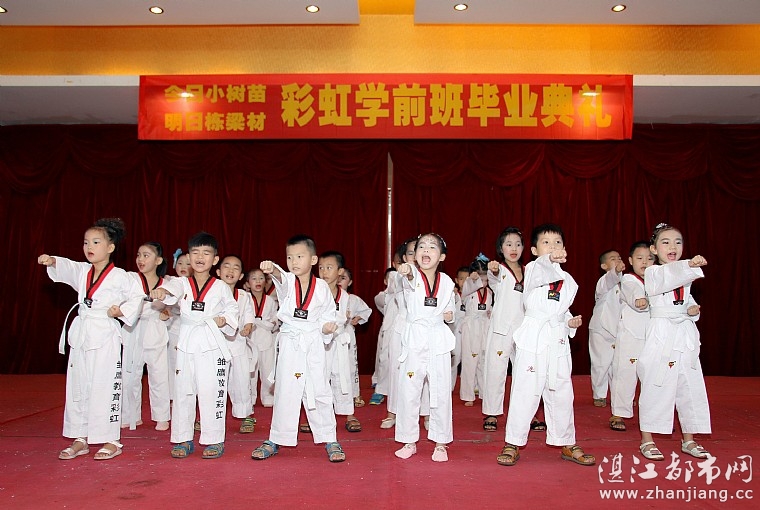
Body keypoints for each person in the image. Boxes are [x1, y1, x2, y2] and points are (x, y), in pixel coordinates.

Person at [38, 217, 144, 460]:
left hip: (105, 334)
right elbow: (66, 267)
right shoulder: (83, 270)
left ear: (111, 247)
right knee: (78, 385)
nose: (89, 247)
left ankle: (111, 439)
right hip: (83, 334)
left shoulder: (121, 276)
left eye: (96, 242)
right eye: (86, 242)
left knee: (104, 386)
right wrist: (52, 260)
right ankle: (80, 437)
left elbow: (138, 296)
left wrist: (121, 311)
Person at [498, 223, 595, 467]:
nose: (553, 247)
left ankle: (566, 441)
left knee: (562, 392)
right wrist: (550, 258)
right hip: (533, 338)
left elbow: (561, 310)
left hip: (557, 339)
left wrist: (570, 322)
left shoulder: (569, 281)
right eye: (546, 243)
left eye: (557, 242)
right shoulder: (533, 270)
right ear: (534, 250)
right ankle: (513, 442)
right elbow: (543, 269)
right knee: (524, 391)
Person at [251, 235, 345, 463]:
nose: (294, 262)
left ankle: (329, 437)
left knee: (319, 389)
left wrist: (327, 327)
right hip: (291, 342)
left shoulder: (322, 287)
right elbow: (278, 275)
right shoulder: (287, 281)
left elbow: (328, 315)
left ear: (313, 260)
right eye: (290, 257)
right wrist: (272, 268)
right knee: (285, 390)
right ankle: (276, 437)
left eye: (300, 256)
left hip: (312, 342)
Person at [149, 232, 239, 459]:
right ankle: (183, 438)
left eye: (206, 253)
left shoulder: (221, 286)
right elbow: (171, 292)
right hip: (187, 343)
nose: (200, 257)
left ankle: (214, 439)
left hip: (211, 343)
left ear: (215, 259)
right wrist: (162, 292)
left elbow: (232, 309)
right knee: (183, 391)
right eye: (195, 253)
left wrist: (225, 320)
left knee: (211, 391)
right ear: (188, 257)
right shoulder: (181, 282)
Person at [638, 223, 710, 461]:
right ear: (654, 249)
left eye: (678, 242)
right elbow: (670, 277)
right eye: (665, 242)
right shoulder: (653, 272)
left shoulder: (683, 275)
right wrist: (689, 265)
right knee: (655, 383)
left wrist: (692, 309)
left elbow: (685, 300)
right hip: (662, 333)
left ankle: (689, 438)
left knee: (690, 384)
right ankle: (647, 439)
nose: (672, 247)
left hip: (683, 334)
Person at [394, 233, 456, 462]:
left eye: (432, 247)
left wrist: (449, 314)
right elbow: (409, 277)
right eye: (421, 247)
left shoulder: (447, 282)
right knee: (409, 390)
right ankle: (409, 440)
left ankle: (440, 443)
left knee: (441, 390)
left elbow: (451, 308)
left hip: (437, 339)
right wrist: (406, 270)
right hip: (415, 339)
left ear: (442, 256)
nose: (426, 250)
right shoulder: (411, 274)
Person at [121, 242, 171, 431]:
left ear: (158, 260)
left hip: (155, 330)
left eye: (146, 255)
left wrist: (166, 313)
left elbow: (173, 307)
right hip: (132, 329)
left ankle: (162, 416)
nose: (140, 259)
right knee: (129, 375)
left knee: (159, 375)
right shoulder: (130, 279)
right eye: (138, 255)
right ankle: (130, 416)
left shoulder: (167, 284)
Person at [481, 227, 526, 432]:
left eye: (518, 244)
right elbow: (493, 278)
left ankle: (528, 412)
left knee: (526, 372)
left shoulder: (529, 271)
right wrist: (493, 269)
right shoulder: (498, 270)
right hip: (501, 328)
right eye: (508, 244)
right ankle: (491, 412)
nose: (513, 248)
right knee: (495, 371)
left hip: (524, 329)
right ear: (501, 248)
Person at [609, 241, 653, 432]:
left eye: (650, 258)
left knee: (653, 377)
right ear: (630, 260)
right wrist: (639, 300)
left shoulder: (659, 280)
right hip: (631, 335)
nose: (645, 262)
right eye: (639, 258)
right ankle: (619, 413)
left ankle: (654, 416)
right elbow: (634, 295)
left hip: (654, 335)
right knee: (625, 373)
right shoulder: (628, 279)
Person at [316, 251, 360, 432]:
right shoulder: (315, 292)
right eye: (321, 268)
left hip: (339, 342)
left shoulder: (345, 296)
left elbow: (343, 319)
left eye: (329, 267)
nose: (324, 272)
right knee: (318, 378)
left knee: (343, 377)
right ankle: (316, 416)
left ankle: (349, 414)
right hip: (319, 341)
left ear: (340, 271)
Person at [217, 255, 256, 433]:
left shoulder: (244, 296)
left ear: (240, 276)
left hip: (238, 344)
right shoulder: (212, 293)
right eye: (227, 266)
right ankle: (209, 416)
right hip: (216, 345)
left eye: (236, 268)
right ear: (218, 271)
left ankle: (246, 415)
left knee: (241, 381)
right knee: (213, 382)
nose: (230, 271)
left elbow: (248, 315)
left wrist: (247, 326)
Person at [589, 249, 625, 408]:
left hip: (619, 328)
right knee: (601, 363)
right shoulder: (603, 281)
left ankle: (620, 396)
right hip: (601, 329)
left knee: (618, 366)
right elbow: (611, 278)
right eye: (613, 259)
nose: (617, 260)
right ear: (604, 266)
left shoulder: (627, 282)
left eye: (619, 258)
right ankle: (599, 394)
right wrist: (615, 271)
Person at [459, 255, 493, 406]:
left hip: (484, 325)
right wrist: (471, 279)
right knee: (469, 360)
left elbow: (490, 308)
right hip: (471, 326)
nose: (483, 283)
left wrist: (491, 313)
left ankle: (484, 392)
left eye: (486, 279)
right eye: (481, 279)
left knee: (483, 360)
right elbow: (468, 286)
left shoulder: (490, 293)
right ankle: (468, 394)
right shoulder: (469, 290)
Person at [338, 268, 373, 408]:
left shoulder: (353, 299)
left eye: (343, 278)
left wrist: (358, 318)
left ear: (350, 282)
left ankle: (354, 394)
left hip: (347, 333)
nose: (339, 281)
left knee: (350, 364)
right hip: (330, 334)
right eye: (338, 277)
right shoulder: (325, 297)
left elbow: (367, 311)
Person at [161, 250, 192, 402]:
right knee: (172, 362)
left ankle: (190, 395)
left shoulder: (196, 284)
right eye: (180, 263)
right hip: (173, 326)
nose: (183, 266)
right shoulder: (169, 282)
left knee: (190, 364)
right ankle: (172, 396)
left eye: (187, 263)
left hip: (191, 328)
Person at [247, 268, 279, 408]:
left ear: (266, 282)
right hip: (250, 340)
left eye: (261, 278)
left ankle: (268, 397)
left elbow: (275, 319)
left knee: (268, 370)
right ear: (248, 283)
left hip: (266, 339)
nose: (258, 281)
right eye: (254, 278)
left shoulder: (271, 301)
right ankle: (250, 398)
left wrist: (269, 323)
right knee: (250, 372)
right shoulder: (245, 299)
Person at [369, 267, 396, 405]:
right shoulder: (382, 296)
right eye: (390, 279)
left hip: (406, 330)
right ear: (385, 281)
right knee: (383, 359)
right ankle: (379, 388)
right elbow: (382, 301)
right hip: (388, 329)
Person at [450, 266, 470, 391]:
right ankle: (449, 386)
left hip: (470, 329)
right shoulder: (454, 295)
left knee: (470, 358)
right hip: (456, 330)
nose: (464, 282)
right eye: (461, 279)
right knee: (455, 357)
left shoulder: (474, 295)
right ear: (457, 280)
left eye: (467, 279)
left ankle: (471, 386)